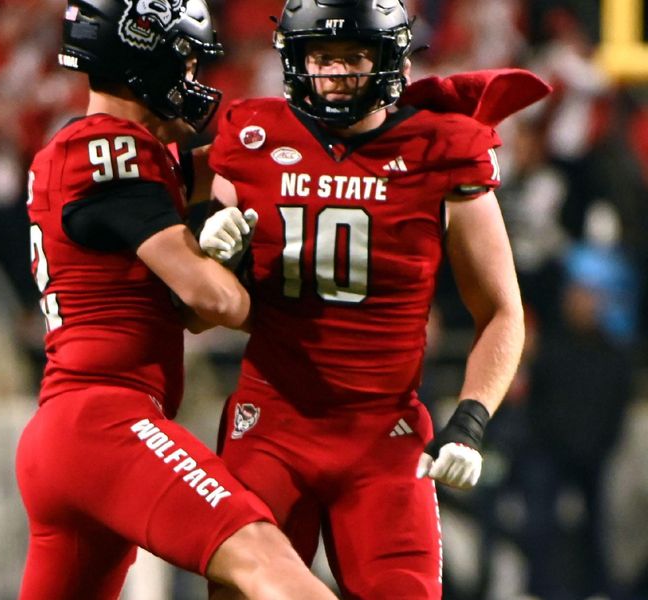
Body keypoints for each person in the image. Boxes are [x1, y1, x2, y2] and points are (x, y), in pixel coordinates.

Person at [197, 0, 551, 597]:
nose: (336, 73)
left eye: (353, 57)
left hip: (382, 435)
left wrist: (470, 419)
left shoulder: (443, 148)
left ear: (388, 62)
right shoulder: (254, 135)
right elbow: (206, 296)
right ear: (295, 61)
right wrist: (207, 231)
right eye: (321, 57)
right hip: (272, 423)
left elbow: (501, 311)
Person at [15, 1, 339, 599]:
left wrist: (298, 137)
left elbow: (218, 164)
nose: (193, 80)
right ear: (145, 56)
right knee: (264, 558)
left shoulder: (90, 150)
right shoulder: (110, 150)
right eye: (185, 62)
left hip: (67, 429)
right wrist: (258, 289)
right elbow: (208, 300)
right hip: (107, 421)